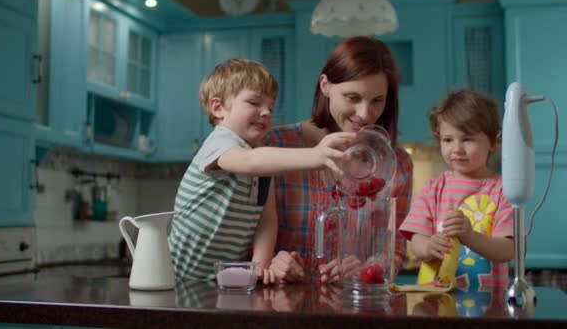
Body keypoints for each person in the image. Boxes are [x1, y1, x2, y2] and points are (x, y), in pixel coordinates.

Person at [168, 58, 356, 283]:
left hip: (219, 280)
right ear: (218, 108)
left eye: (270, 106)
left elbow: (267, 221)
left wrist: (259, 266)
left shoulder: (261, 158)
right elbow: (249, 161)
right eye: (255, 103)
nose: (266, 112)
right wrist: (315, 155)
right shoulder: (220, 141)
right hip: (175, 275)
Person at [265, 36, 414, 283]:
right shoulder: (275, 146)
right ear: (325, 85)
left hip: (352, 311)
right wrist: (271, 262)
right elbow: (242, 235)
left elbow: (394, 250)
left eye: (377, 100)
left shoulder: (397, 164)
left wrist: (367, 270)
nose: (365, 114)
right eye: (352, 98)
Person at [398, 89, 514, 288]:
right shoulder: (433, 189)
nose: (457, 149)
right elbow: (416, 240)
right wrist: (428, 246)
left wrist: (470, 237)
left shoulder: (503, 190)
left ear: (494, 142)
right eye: (448, 140)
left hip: (488, 303)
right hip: (434, 298)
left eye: (467, 139)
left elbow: (508, 250)